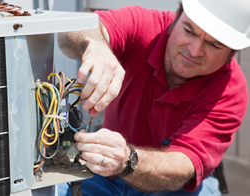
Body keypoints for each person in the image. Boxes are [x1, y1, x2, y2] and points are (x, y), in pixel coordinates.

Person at [57, 0, 250, 195]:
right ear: (177, 16)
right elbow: (78, 27)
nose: (194, 51)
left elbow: (183, 167)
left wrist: (126, 160)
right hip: (104, 176)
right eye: (189, 31)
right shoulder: (145, 26)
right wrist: (96, 45)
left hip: (170, 187)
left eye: (214, 45)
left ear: (232, 53)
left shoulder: (229, 91)